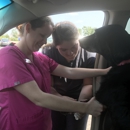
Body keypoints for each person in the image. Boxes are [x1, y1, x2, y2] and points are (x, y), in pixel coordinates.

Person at [0, 16, 110, 130]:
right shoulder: (8, 56)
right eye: (42, 35)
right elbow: (38, 97)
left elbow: (69, 71)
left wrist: (105, 71)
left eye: (47, 37)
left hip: (43, 124)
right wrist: (85, 108)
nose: (44, 42)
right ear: (28, 28)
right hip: (18, 125)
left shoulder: (39, 58)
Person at [41, 21, 96, 130]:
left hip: (80, 97)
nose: (70, 53)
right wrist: (60, 99)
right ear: (56, 46)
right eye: (63, 49)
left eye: (74, 46)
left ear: (78, 40)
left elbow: (87, 84)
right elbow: (48, 85)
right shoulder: (48, 53)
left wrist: (80, 105)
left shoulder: (89, 55)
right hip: (55, 98)